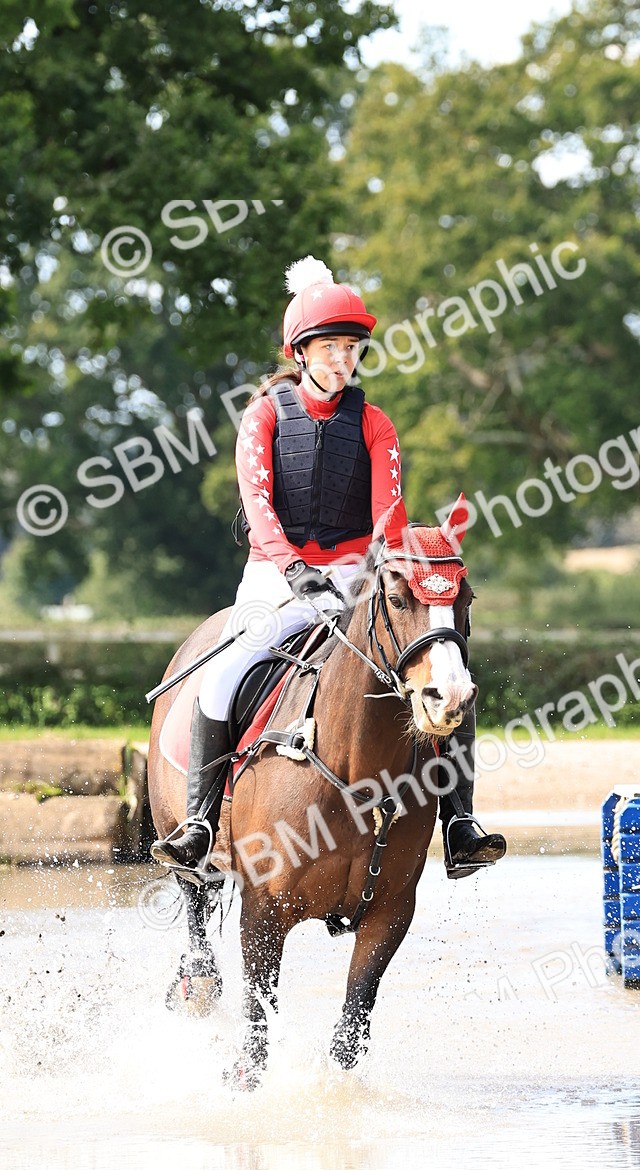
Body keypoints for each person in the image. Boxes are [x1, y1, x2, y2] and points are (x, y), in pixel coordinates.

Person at [150, 255, 506, 879]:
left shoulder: (375, 424)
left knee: (445, 676)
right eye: (331, 348)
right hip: (273, 575)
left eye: (352, 348)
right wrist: (294, 570)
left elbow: (388, 518)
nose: (344, 360)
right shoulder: (263, 416)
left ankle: (459, 821)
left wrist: (388, 569)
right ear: (301, 352)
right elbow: (258, 508)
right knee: (224, 674)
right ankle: (200, 823)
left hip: (353, 577)